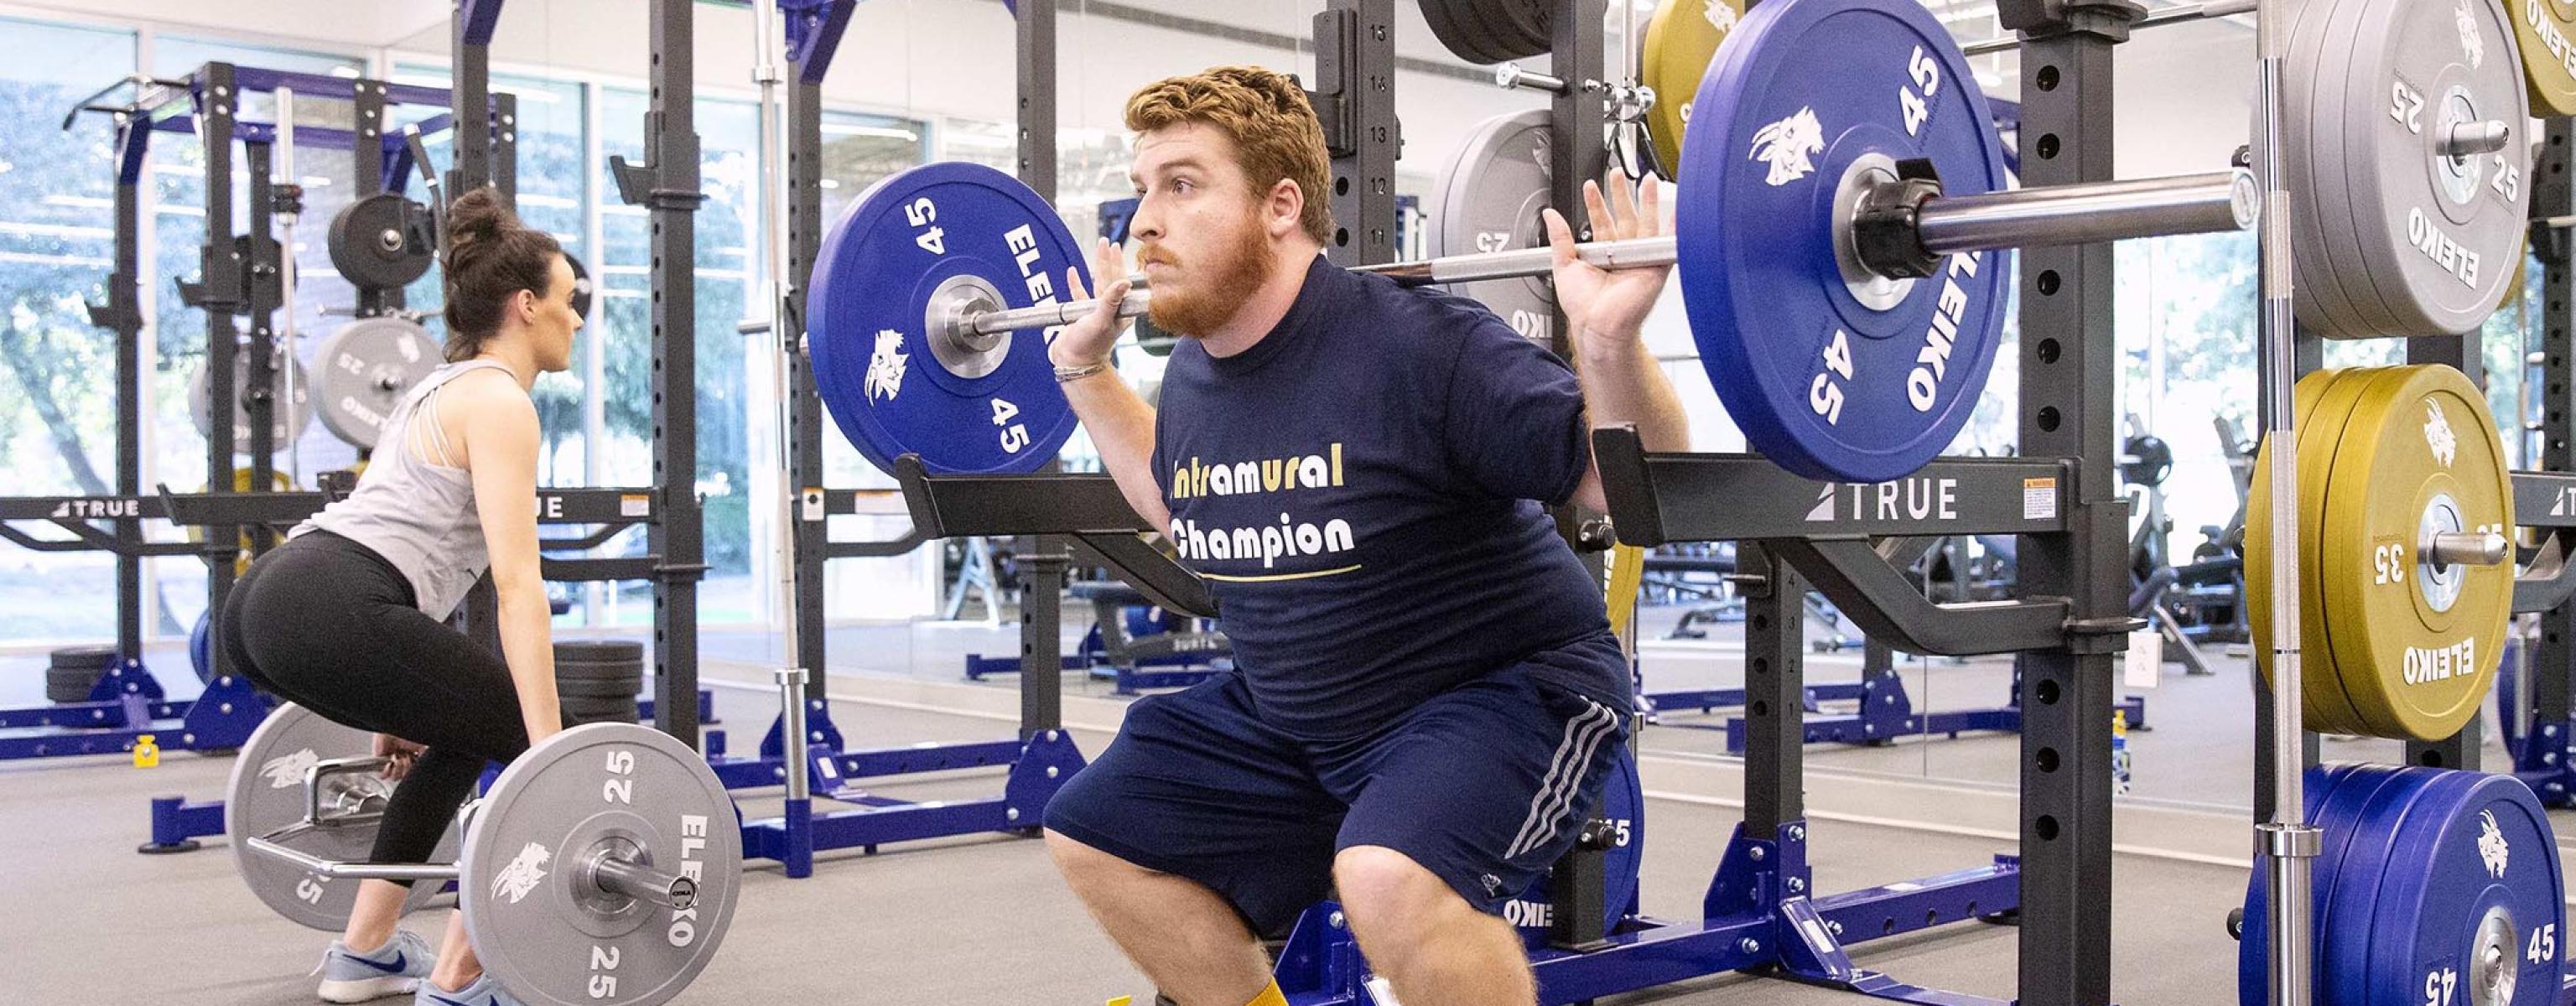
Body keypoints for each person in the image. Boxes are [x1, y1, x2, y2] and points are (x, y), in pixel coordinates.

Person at [1040, 66, 1690, 1006]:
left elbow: (1635, 487)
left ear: (1280, 205)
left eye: (1181, 186)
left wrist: (1606, 347)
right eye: (1144, 190)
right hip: (1301, 719)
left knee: (1388, 876)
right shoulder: (1195, 371)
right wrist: (1084, 372)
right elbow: (1185, 500)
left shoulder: (1420, 344)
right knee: (1094, 829)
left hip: (1503, 692)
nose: (1143, 221)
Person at [217, 187, 583, 1006]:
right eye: (568, 302)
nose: (579, 320)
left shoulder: (435, 387)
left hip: (273, 597)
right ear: (526, 307)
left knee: (460, 732)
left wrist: (405, 698)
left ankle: (366, 951)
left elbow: (407, 544)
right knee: (521, 739)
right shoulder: (500, 402)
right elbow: (520, 588)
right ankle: (463, 974)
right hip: (331, 596)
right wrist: (548, 752)